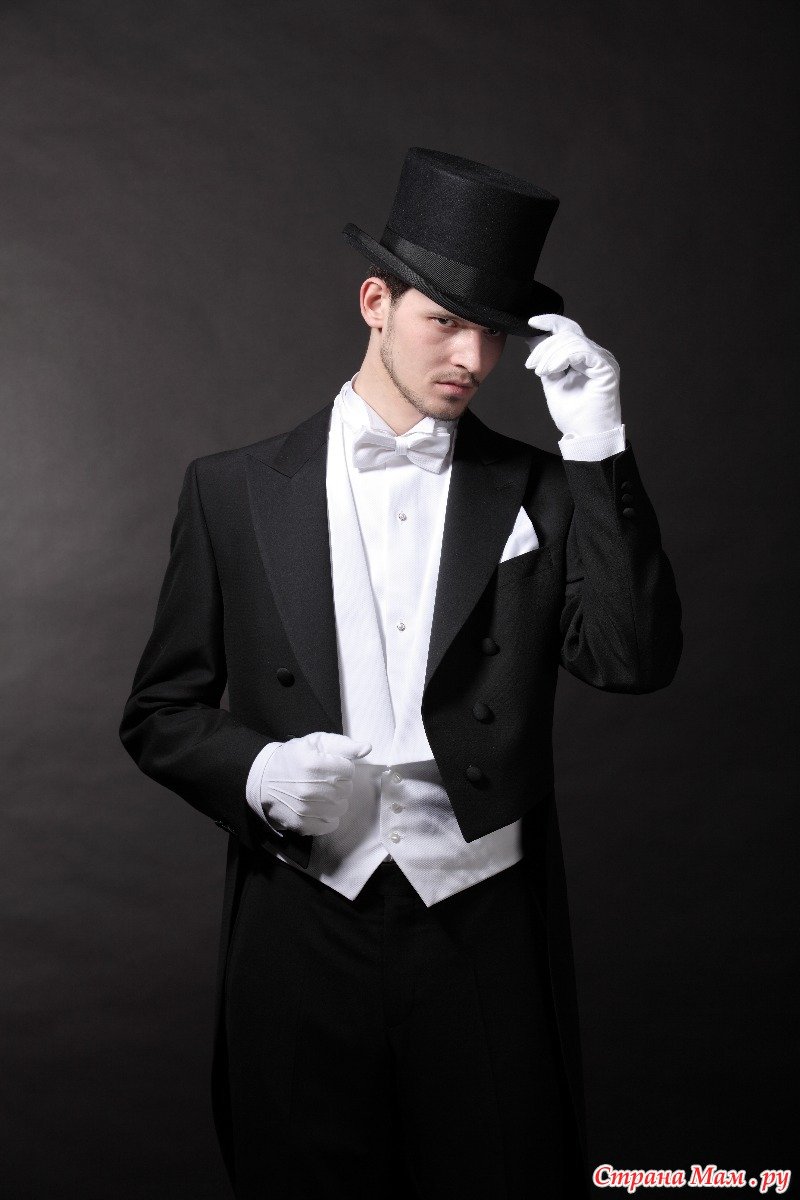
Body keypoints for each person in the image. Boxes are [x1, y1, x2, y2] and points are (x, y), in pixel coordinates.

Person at [120, 147, 682, 1199]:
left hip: (482, 923)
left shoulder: (542, 486)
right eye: (446, 321)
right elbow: (159, 711)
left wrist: (596, 444)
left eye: (494, 333)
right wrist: (255, 772)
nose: (472, 357)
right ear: (375, 303)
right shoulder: (231, 490)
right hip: (299, 922)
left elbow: (631, 657)